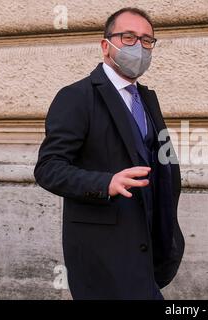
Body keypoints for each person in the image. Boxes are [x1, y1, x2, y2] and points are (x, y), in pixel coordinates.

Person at [34, 7, 184, 299]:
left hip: (146, 251)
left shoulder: (147, 98)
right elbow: (48, 168)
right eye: (128, 38)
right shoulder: (77, 96)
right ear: (106, 46)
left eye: (146, 40)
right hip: (102, 255)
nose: (138, 47)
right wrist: (105, 183)